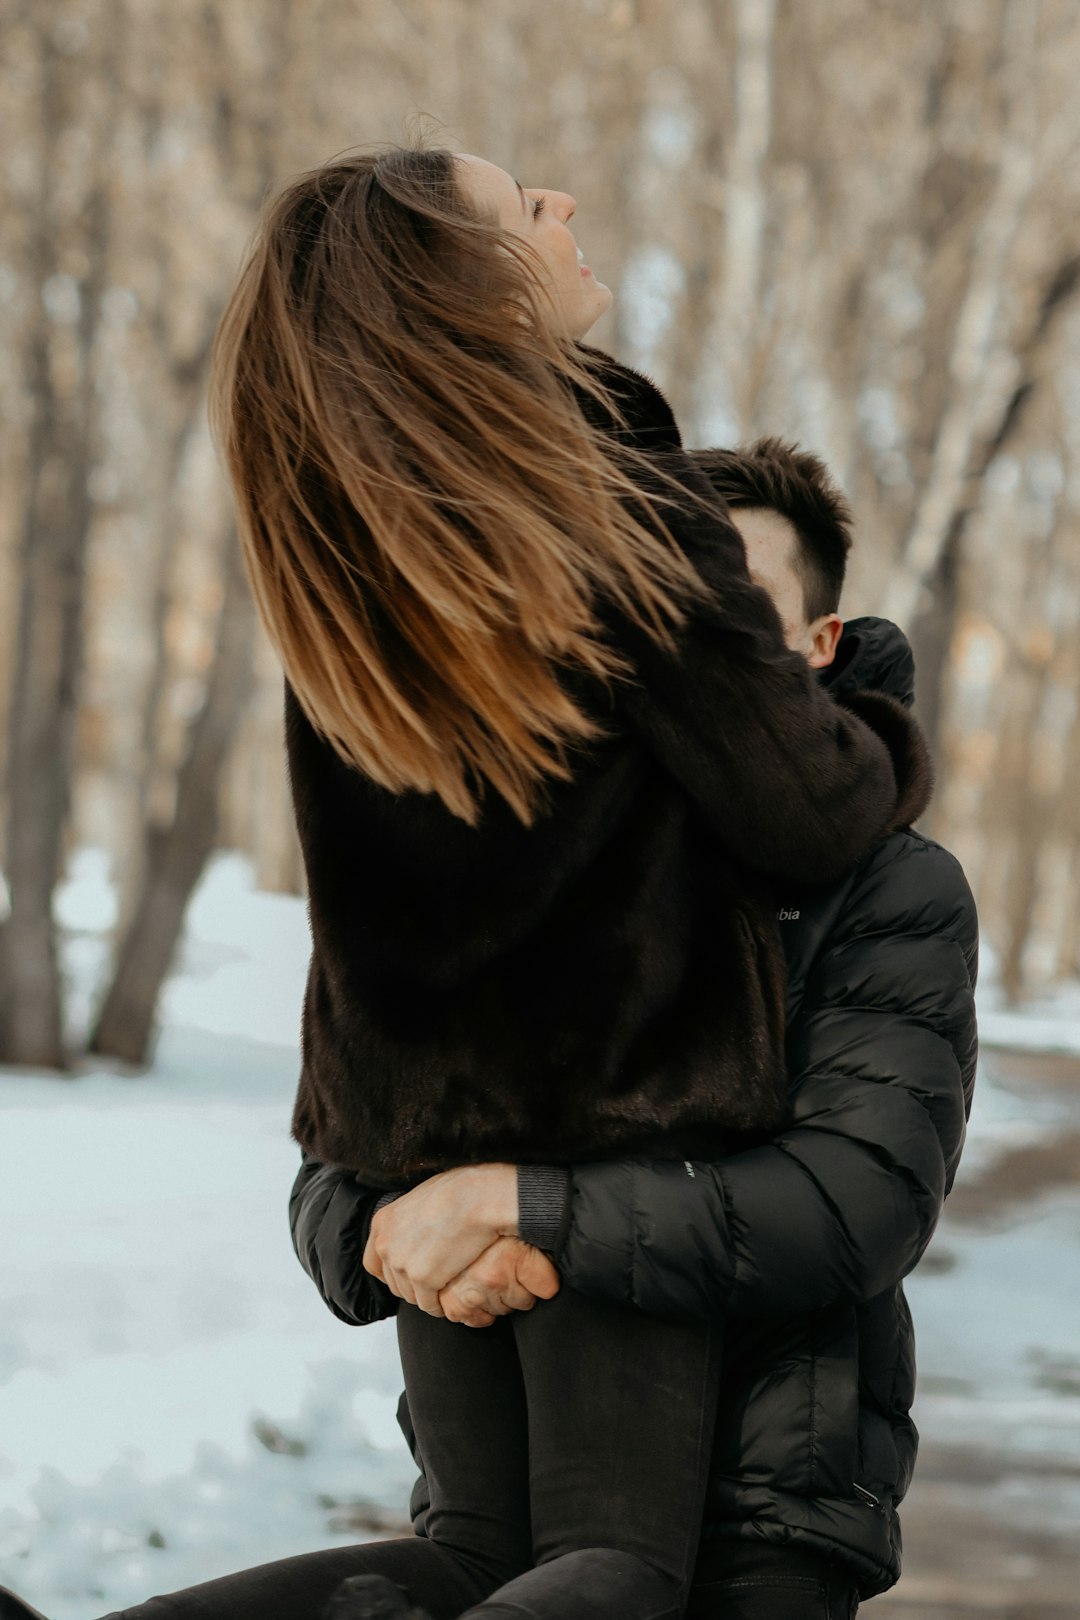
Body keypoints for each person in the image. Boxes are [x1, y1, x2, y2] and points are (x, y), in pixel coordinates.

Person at [0, 147, 929, 1620]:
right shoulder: (614, 500)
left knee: (476, 1558)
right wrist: (875, 708)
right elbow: (806, 806)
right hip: (617, 1130)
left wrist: (386, 1195)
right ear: (472, 284)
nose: (565, 208)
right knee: (614, 1570)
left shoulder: (364, 554)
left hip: (416, 1159)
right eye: (524, 204)